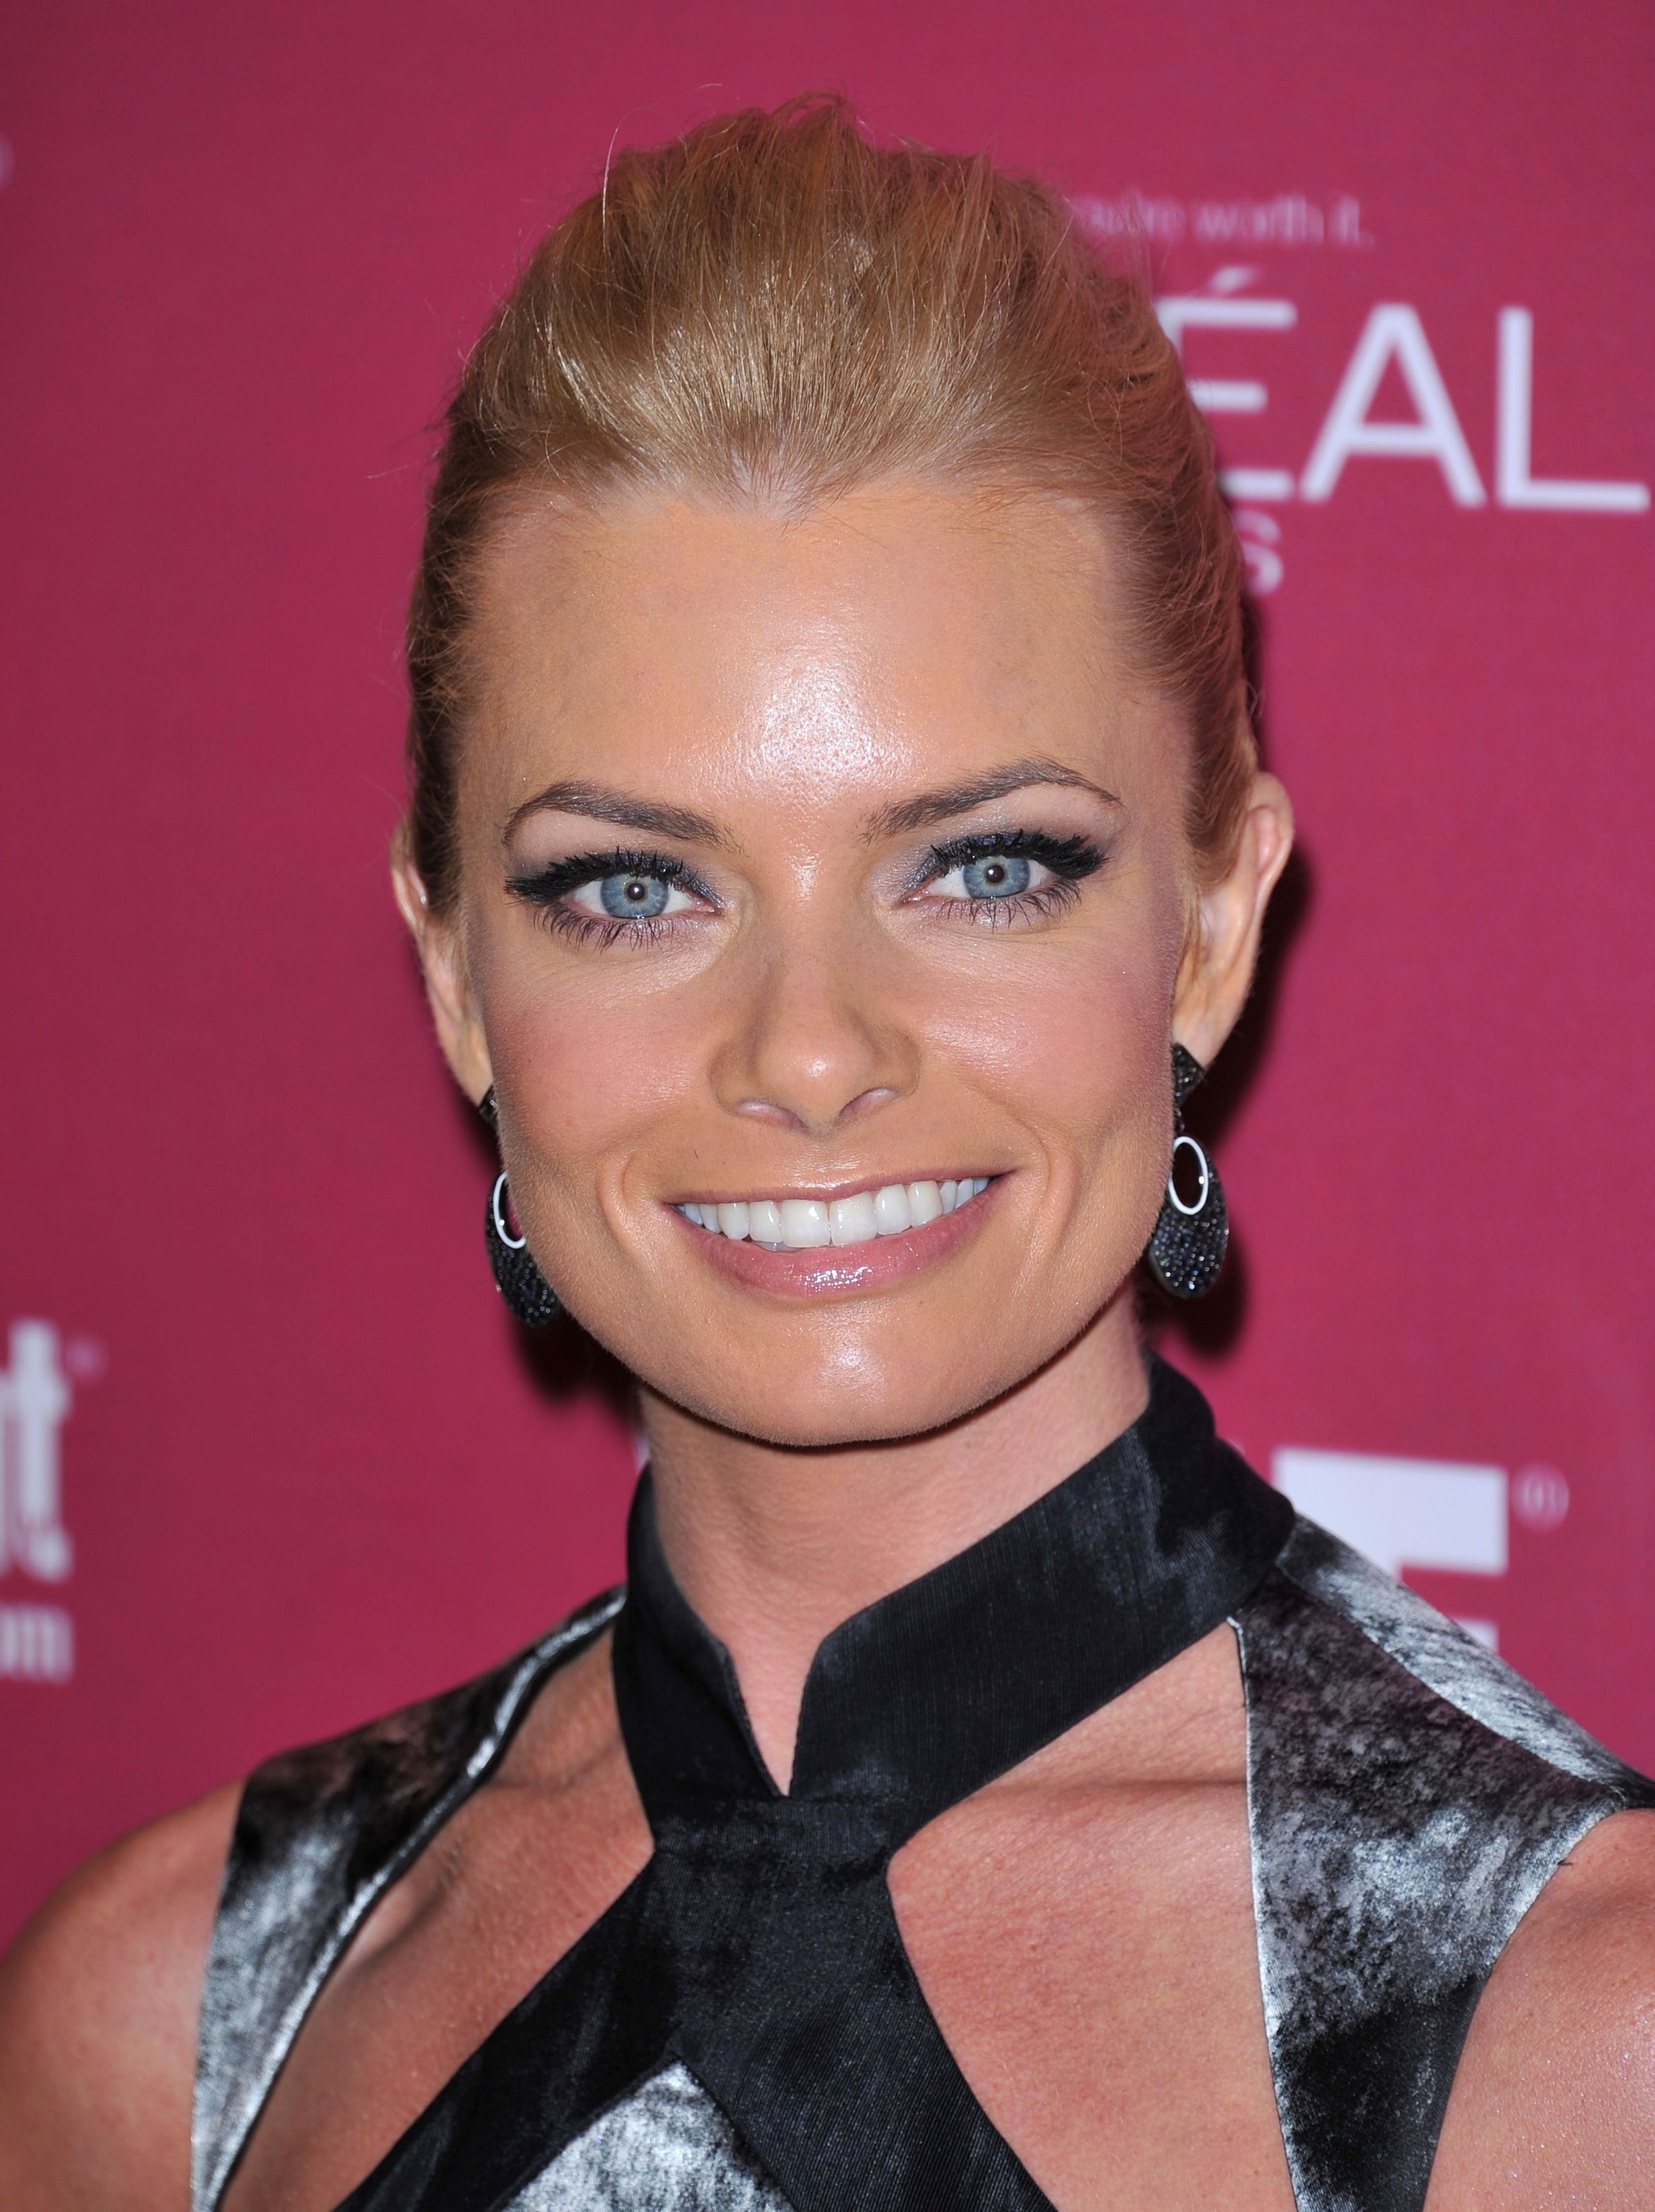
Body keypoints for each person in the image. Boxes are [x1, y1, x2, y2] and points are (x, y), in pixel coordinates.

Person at [2, 95, 1653, 2212]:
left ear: (1211, 925)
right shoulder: (165, 2024)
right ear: (454, 977)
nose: (805, 1054)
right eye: (631, 887)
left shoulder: (1578, 2040)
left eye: (983, 866)